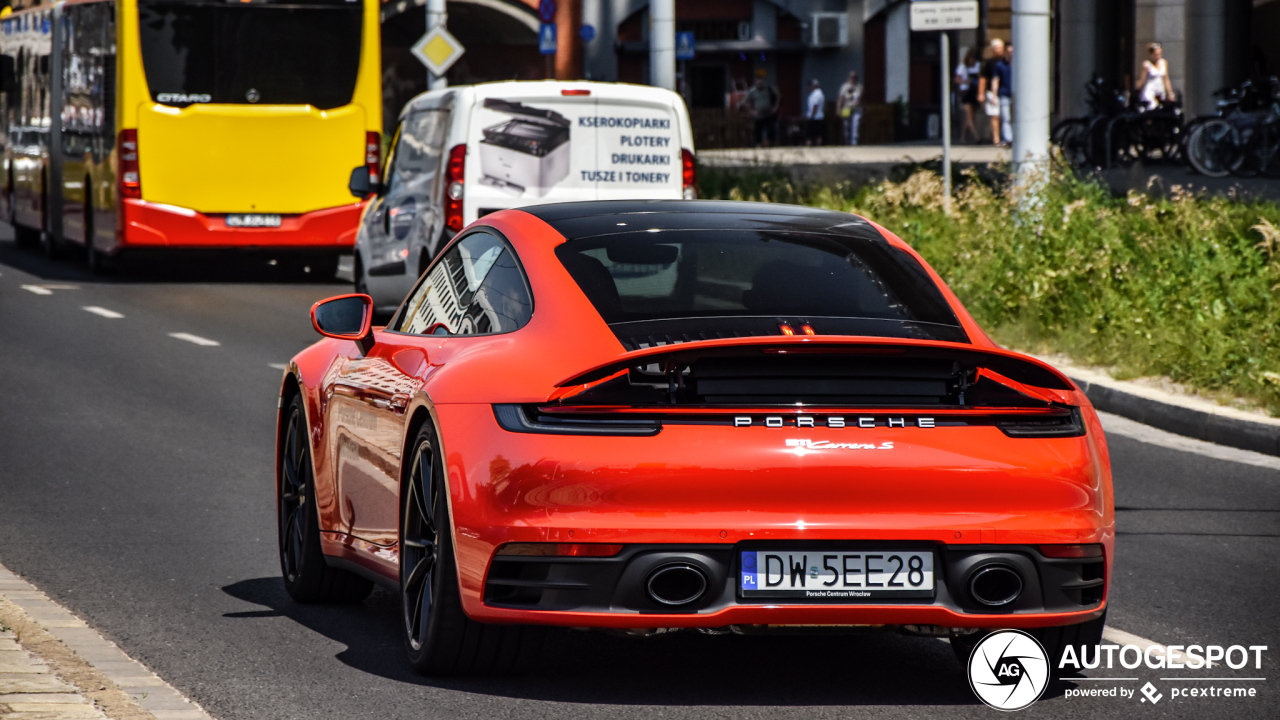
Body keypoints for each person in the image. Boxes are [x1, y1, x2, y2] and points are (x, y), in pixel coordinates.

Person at [977, 38, 1005, 146]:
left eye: (1001, 48)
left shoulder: (1007, 61)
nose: (999, 50)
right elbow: (983, 78)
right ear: (993, 50)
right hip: (991, 93)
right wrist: (980, 93)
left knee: (1004, 117)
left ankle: (1004, 137)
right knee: (995, 116)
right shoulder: (989, 63)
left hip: (1004, 91)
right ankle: (996, 139)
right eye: (997, 48)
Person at [741, 74, 780, 147]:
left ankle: (770, 144)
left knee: (770, 130)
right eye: (758, 83)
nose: (760, 84)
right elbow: (743, 102)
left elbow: (778, 95)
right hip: (759, 115)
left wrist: (775, 107)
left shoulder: (769, 89)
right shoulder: (752, 91)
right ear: (755, 83)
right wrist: (751, 111)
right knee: (757, 131)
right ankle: (758, 145)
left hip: (769, 113)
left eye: (761, 83)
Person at [1135, 42, 1175, 110]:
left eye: (1160, 54)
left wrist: (1170, 92)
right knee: (1152, 108)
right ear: (1151, 54)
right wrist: (1137, 89)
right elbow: (1142, 81)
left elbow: (1166, 79)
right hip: (1150, 92)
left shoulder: (1163, 62)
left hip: (1160, 91)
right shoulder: (1147, 65)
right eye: (1156, 54)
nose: (1158, 57)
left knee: (1162, 109)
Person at [956, 51, 981, 144]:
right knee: (969, 116)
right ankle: (976, 136)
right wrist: (965, 81)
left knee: (969, 116)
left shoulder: (977, 66)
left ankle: (962, 137)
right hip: (965, 92)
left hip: (974, 92)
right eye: (971, 58)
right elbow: (957, 79)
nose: (972, 60)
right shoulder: (963, 67)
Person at [836, 71, 864, 145]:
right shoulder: (845, 87)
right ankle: (847, 142)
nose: (853, 78)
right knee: (846, 126)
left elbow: (859, 98)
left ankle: (854, 142)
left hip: (856, 108)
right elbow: (841, 98)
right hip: (846, 108)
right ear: (849, 77)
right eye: (852, 77)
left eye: (855, 77)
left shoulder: (859, 87)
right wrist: (838, 108)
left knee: (855, 125)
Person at [994, 43, 1014, 146]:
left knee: (1015, 118)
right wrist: (994, 95)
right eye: (1009, 52)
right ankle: (1008, 139)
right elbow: (995, 80)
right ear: (1006, 52)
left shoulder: (1018, 63)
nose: (1011, 54)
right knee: (1006, 118)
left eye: (1012, 52)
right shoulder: (1000, 65)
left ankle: (1015, 137)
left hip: (1016, 95)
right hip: (1004, 94)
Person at [805, 79, 825, 146]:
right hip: (817, 116)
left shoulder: (817, 94)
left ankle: (811, 145)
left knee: (811, 134)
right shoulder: (816, 93)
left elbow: (815, 106)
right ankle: (817, 146)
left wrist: (811, 116)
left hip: (815, 117)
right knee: (817, 134)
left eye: (810, 85)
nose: (809, 87)